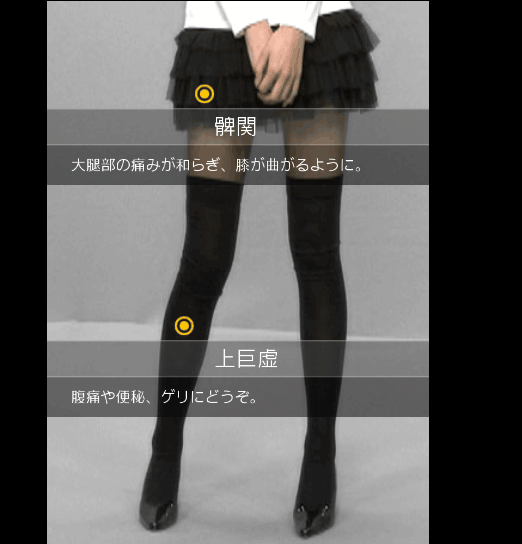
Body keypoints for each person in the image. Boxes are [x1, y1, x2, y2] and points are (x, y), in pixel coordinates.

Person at [141, 1, 379, 537]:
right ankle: (165, 448)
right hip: (220, 27)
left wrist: (295, 23)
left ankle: (320, 453)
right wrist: (252, 23)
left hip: (318, 27)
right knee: (204, 261)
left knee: (317, 255)